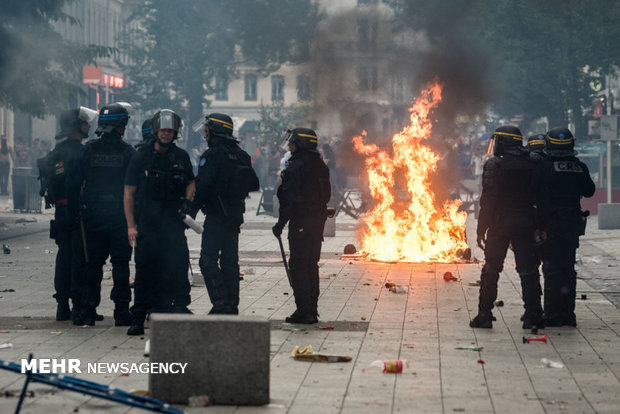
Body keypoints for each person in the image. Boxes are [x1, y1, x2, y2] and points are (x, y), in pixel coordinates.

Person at [124, 109, 195, 335]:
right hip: (147, 225)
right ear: (156, 131)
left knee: (178, 266)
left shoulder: (181, 157)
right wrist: (131, 226)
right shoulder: (141, 157)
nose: (166, 134)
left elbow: (191, 184)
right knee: (144, 272)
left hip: (173, 224)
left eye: (170, 131)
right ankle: (138, 317)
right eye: (163, 130)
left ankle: (179, 308)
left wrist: (187, 203)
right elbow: (128, 193)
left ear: (175, 133)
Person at [471, 125, 544, 330]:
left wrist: (480, 229)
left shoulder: (495, 165)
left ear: (502, 142)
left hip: (500, 224)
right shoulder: (533, 163)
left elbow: (488, 200)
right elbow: (540, 197)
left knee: (492, 270)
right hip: (526, 223)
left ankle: (484, 315)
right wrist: (540, 225)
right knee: (528, 271)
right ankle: (533, 316)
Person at [192, 113, 259, 314]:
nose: (205, 136)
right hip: (235, 216)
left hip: (215, 216)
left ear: (215, 131)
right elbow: (253, 184)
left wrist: (190, 213)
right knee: (230, 260)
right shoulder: (241, 154)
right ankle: (232, 304)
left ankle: (220, 302)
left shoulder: (212, 155)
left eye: (207, 131)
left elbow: (202, 186)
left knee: (207, 260)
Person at [76, 102, 136, 326]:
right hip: (120, 217)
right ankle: (121, 312)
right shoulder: (129, 153)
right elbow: (135, 188)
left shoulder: (88, 150)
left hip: (93, 216)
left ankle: (88, 309)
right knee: (120, 265)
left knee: (92, 265)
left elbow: (76, 183)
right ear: (121, 127)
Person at [39, 107, 97, 321]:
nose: (89, 125)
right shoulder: (81, 152)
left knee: (63, 257)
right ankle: (76, 304)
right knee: (78, 259)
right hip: (77, 212)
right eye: (85, 123)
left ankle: (62, 305)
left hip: (61, 212)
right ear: (76, 126)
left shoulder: (56, 152)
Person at [272, 128, 331, 324]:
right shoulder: (321, 166)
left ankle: (303, 311)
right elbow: (327, 196)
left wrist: (280, 224)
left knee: (298, 266)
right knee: (311, 266)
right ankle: (312, 310)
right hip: (317, 223)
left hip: (301, 223)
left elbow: (288, 200)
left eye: (293, 143)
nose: (290, 146)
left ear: (301, 144)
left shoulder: (295, 166)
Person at [539, 127, 595, 327]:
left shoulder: (544, 167)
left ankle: (552, 314)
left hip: (551, 224)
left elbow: (536, 194)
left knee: (551, 268)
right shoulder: (579, 167)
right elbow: (589, 191)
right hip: (572, 224)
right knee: (568, 269)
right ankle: (568, 314)